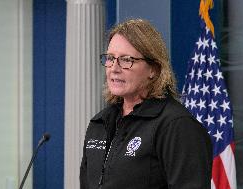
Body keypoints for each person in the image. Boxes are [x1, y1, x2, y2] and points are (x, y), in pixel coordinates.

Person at [80, 18, 212, 189]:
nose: (114, 68)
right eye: (110, 58)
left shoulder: (176, 125)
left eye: (126, 60)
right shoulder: (99, 123)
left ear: (154, 69)